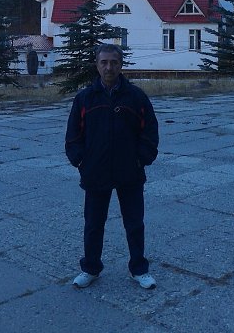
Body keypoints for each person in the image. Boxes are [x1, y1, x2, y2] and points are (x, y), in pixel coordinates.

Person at [65, 43, 159, 289]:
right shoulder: (85, 98)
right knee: (93, 224)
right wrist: (81, 161)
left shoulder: (136, 97)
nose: (109, 67)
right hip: (95, 172)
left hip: (130, 172)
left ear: (121, 65)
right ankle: (90, 268)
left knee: (134, 224)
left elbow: (150, 132)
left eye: (114, 62)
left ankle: (139, 269)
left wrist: (141, 159)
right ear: (97, 65)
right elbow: (73, 135)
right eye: (104, 62)